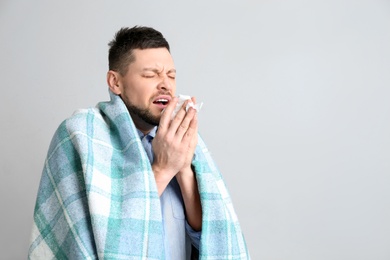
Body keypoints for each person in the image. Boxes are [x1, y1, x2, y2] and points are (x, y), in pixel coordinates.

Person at [28, 26, 250, 259]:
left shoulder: (183, 139)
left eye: (171, 75)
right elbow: (102, 244)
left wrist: (183, 168)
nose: (165, 84)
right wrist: (163, 169)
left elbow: (210, 237)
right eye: (151, 75)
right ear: (115, 83)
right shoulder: (81, 137)